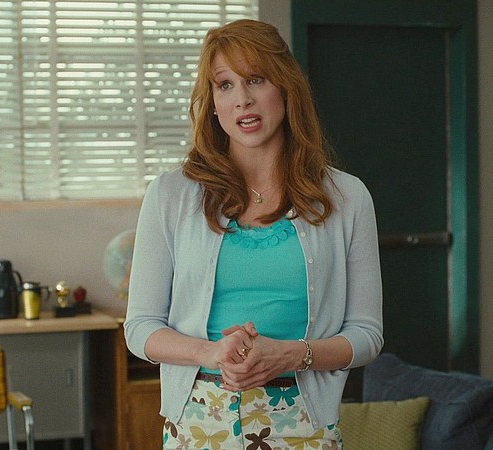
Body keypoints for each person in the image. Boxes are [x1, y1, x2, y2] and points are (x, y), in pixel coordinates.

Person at [124, 18, 383, 450]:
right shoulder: (171, 195)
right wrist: (210, 352)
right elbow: (140, 328)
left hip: (305, 422)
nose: (242, 99)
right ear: (212, 104)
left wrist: (291, 354)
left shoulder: (347, 197)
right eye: (225, 85)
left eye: (255, 80)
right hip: (199, 421)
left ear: (285, 87)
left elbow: (366, 334)